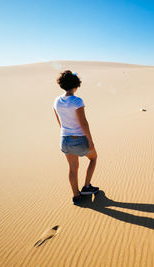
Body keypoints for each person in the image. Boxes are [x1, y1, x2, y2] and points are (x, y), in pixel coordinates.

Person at [53, 70, 99, 204]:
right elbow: (83, 123)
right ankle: (86, 186)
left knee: (73, 169)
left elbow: (60, 122)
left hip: (64, 139)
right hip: (78, 139)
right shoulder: (77, 101)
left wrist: (66, 133)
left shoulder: (57, 101)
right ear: (76, 85)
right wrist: (91, 141)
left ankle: (76, 195)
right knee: (94, 158)